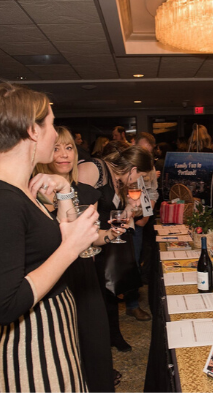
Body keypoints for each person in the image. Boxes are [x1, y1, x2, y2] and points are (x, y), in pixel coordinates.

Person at [0, 83, 100, 392]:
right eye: (50, 123)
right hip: (33, 347)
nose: (55, 133)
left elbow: (44, 247)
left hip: (51, 332)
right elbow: (3, 304)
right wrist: (70, 247)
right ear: (32, 130)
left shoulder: (20, 188)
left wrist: (65, 191)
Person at [34, 126, 115, 391]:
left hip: (83, 274)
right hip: (52, 276)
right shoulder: (33, 193)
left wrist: (111, 234)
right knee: (61, 347)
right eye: (56, 147)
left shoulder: (88, 192)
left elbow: (93, 237)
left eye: (69, 147)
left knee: (95, 340)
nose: (63, 154)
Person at [78, 140, 154, 351]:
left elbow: (120, 219)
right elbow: (78, 213)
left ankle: (113, 337)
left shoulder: (118, 180)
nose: (140, 181)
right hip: (89, 248)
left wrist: (130, 207)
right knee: (94, 305)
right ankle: (96, 352)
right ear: (134, 169)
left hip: (106, 242)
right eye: (140, 176)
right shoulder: (96, 168)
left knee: (109, 296)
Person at [133, 132, 160, 292]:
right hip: (119, 219)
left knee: (136, 259)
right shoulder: (122, 163)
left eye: (148, 152)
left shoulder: (150, 166)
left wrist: (145, 218)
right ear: (133, 144)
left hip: (138, 221)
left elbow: (152, 192)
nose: (145, 155)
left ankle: (133, 304)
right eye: (143, 150)